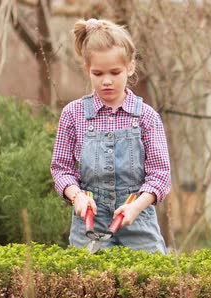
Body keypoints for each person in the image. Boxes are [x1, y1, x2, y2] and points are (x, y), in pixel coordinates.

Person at [51, 18, 171, 254]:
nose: (106, 81)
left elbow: (160, 174)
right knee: (87, 285)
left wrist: (137, 206)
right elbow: (61, 169)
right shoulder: (73, 115)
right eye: (98, 73)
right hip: (90, 219)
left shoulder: (147, 117)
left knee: (151, 282)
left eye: (115, 72)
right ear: (87, 70)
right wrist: (77, 198)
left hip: (138, 218)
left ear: (130, 67)